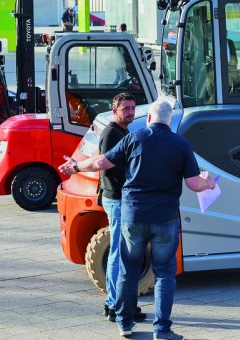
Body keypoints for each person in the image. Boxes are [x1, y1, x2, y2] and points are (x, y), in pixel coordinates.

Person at [58, 100, 216, 340]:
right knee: (164, 273)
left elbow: (101, 162)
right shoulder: (181, 144)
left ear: (150, 118)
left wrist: (75, 166)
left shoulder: (134, 138)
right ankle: (162, 330)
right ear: (169, 120)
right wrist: (209, 182)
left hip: (133, 216)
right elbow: (194, 184)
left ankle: (125, 323)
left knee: (128, 269)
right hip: (164, 218)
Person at [98, 93, 146, 324]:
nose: (130, 112)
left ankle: (118, 304)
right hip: (116, 200)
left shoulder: (122, 132)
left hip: (119, 199)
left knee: (122, 254)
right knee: (117, 254)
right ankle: (115, 304)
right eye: (125, 108)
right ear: (114, 110)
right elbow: (108, 169)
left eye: (132, 108)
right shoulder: (111, 134)